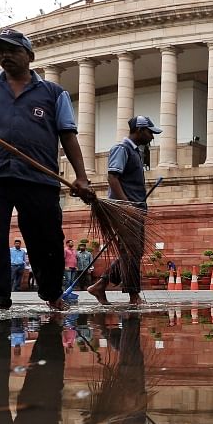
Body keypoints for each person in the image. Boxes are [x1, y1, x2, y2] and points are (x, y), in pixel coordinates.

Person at [0, 29, 94, 311]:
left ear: (30, 55)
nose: (4, 55)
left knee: (47, 239)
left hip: (39, 178)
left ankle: (53, 295)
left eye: (12, 50)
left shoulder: (53, 93)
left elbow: (68, 135)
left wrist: (82, 176)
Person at [87, 116, 157, 306]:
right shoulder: (122, 149)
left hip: (135, 209)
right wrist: (126, 206)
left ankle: (100, 285)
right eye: (150, 132)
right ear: (140, 130)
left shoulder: (136, 152)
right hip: (126, 210)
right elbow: (113, 178)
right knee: (132, 252)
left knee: (133, 252)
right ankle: (133, 295)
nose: (152, 137)